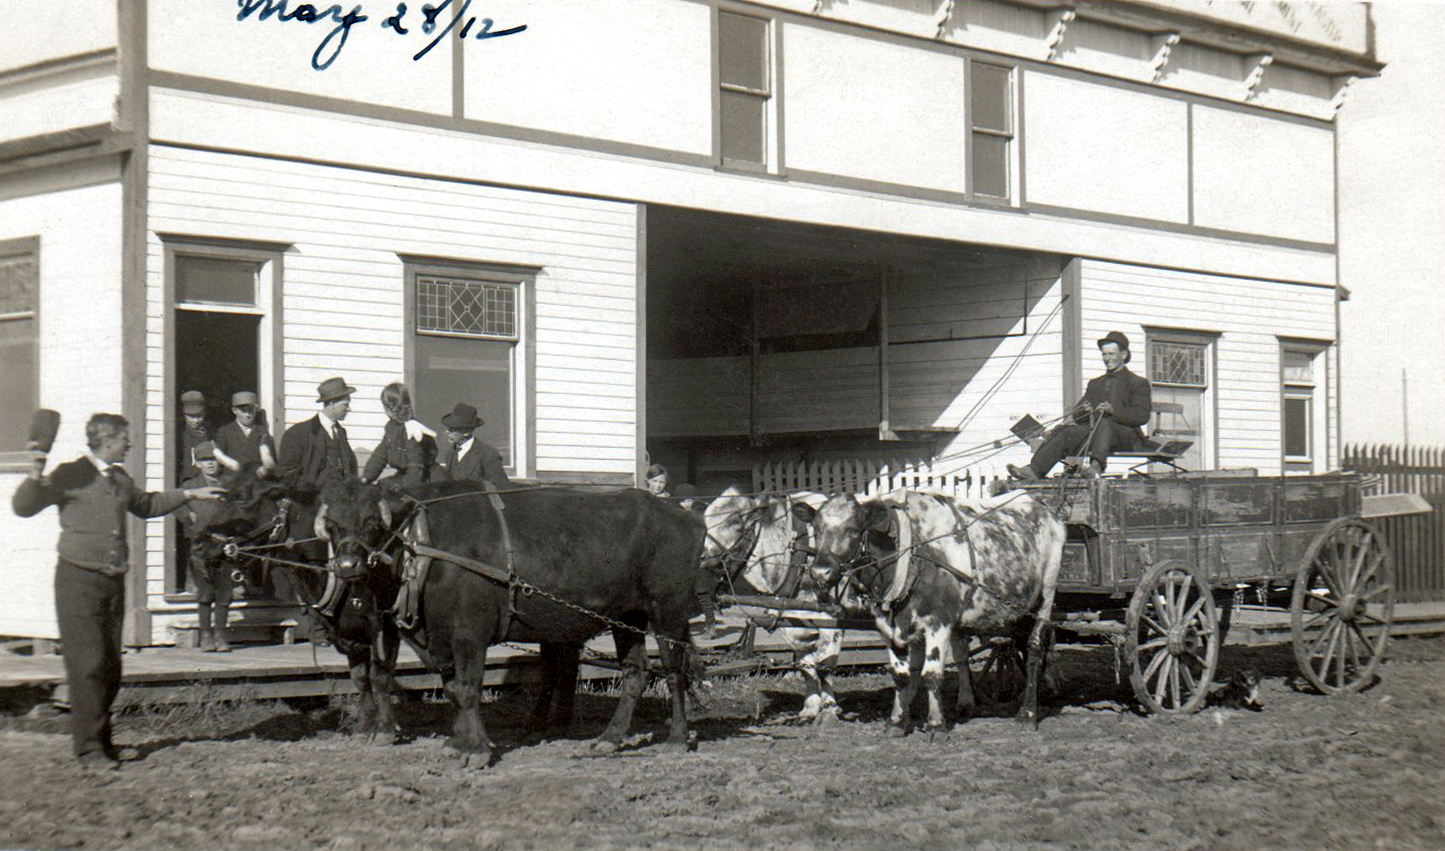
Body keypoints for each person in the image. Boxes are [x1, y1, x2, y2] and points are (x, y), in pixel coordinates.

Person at [11, 413, 224, 771]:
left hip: (112, 582)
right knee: (87, 664)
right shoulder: (70, 473)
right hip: (77, 581)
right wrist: (34, 472)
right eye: (125, 439)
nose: (130, 444)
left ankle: (104, 743)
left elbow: (146, 505)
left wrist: (189, 493)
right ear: (107, 440)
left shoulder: (121, 477)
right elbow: (24, 506)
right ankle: (88, 750)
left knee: (110, 666)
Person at [278, 377, 359, 646]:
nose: (349, 407)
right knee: (312, 570)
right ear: (332, 403)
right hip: (306, 512)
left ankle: (339, 624)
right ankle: (318, 629)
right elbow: (287, 477)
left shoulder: (341, 434)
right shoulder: (298, 434)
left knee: (344, 566)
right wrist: (320, 486)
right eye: (345, 402)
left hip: (338, 515)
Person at [1008, 330, 1152, 480]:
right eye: (1104, 354)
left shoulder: (1137, 383)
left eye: (1111, 354)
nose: (1107, 358)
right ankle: (1034, 470)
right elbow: (1077, 416)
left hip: (1126, 437)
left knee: (1105, 422)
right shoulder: (1096, 383)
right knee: (1066, 432)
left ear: (1123, 355)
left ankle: (1095, 468)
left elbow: (1141, 416)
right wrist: (1084, 411)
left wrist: (1113, 411)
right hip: (1096, 435)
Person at [179, 441, 235, 653]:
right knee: (205, 592)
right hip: (201, 546)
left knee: (224, 593)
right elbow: (177, 506)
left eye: (213, 460)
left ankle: (220, 636)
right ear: (198, 464)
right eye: (205, 460)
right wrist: (189, 516)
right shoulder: (190, 486)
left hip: (224, 545)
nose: (210, 464)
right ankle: (206, 636)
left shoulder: (228, 485)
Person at [361, 382, 436, 486]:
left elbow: (416, 465)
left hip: (424, 478)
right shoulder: (392, 427)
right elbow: (381, 455)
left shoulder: (412, 429)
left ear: (388, 408)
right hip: (407, 474)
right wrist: (367, 477)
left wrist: (404, 488)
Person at [436, 403, 512, 489]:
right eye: (448, 428)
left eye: (453, 429)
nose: (447, 432)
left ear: (466, 431)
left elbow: (502, 487)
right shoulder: (450, 453)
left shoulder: (488, 454)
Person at [213, 390, 276, 474]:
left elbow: (271, 461)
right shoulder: (225, 432)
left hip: (257, 481)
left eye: (250, 410)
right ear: (234, 410)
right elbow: (219, 463)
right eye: (243, 411)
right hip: (232, 481)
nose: (247, 415)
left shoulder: (262, 432)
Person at [177, 390, 211, 483]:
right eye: (191, 416)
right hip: (188, 481)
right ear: (184, 415)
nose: (196, 420)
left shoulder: (209, 433)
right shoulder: (180, 435)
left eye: (199, 416)